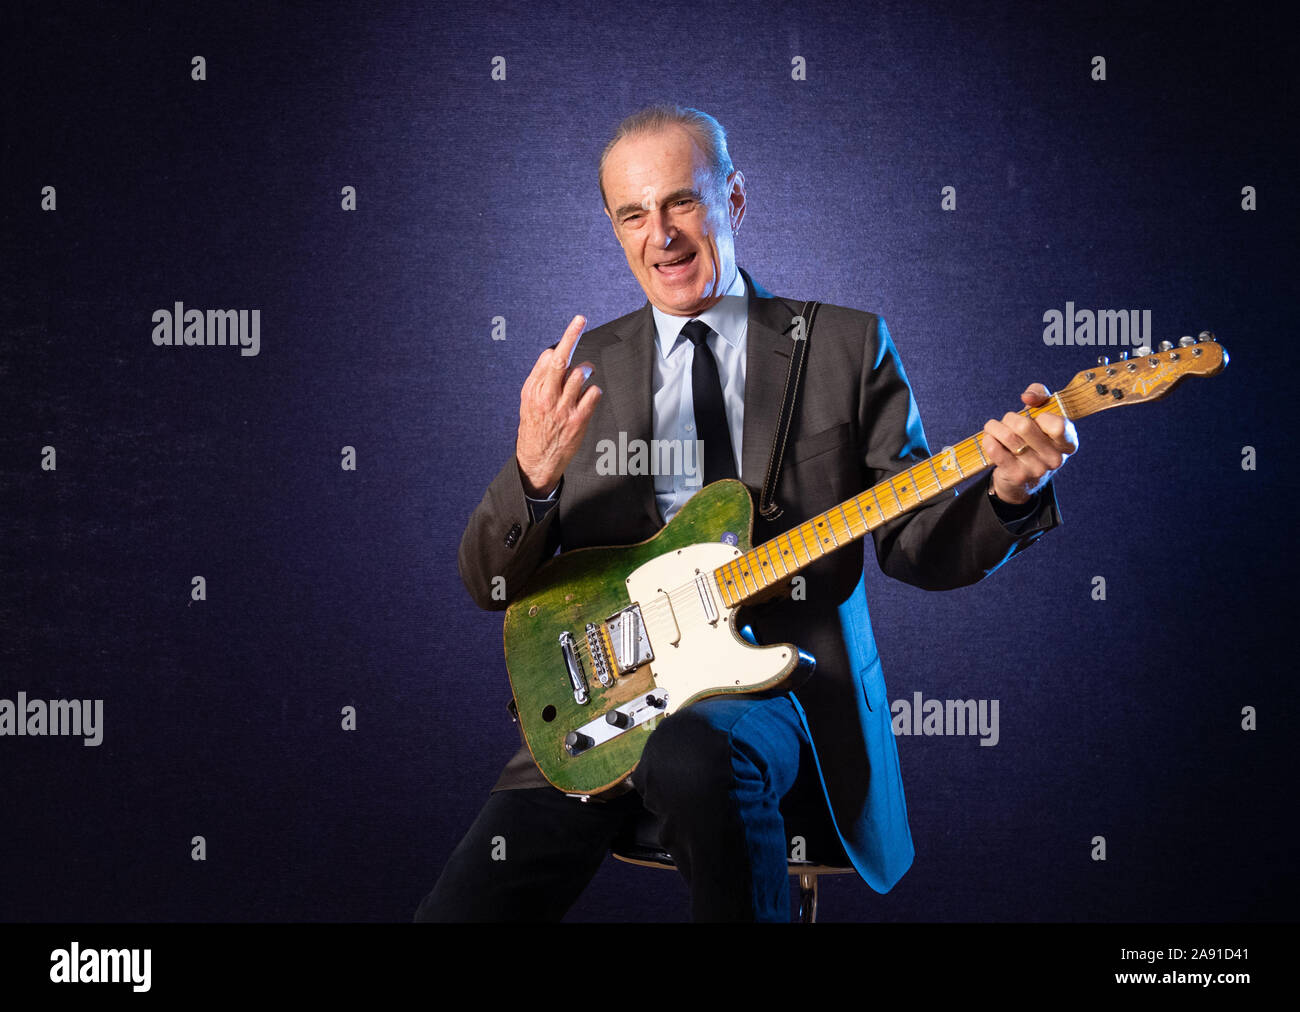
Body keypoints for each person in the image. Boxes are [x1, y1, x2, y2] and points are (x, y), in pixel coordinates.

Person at [415, 104, 1076, 922]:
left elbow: (917, 547)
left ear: (732, 200)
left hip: (781, 693)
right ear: (617, 230)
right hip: (606, 693)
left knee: (694, 755)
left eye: (682, 202)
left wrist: (1008, 493)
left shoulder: (844, 345)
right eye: (634, 213)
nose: (662, 234)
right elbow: (489, 584)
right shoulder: (583, 372)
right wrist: (534, 475)